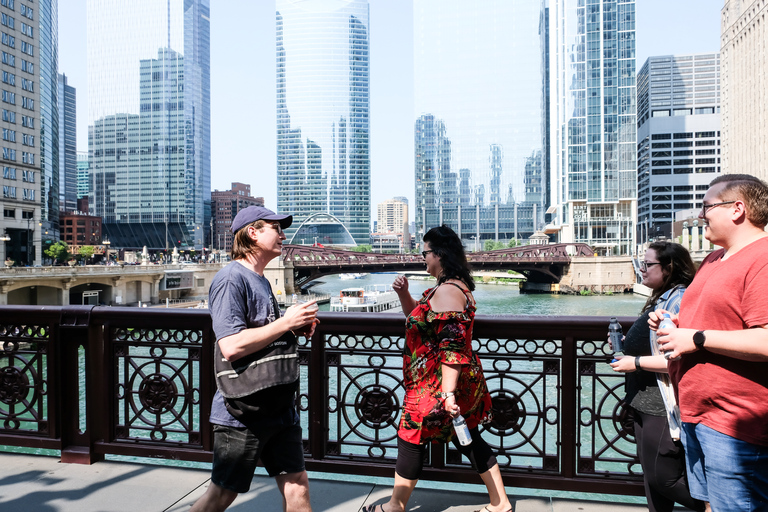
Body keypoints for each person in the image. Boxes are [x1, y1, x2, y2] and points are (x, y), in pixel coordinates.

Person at [364, 225, 512, 512]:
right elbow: (420, 320)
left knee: (411, 435)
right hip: (450, 383)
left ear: (440, 254)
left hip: (435, 386)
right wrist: (405, 295)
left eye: (426, 252)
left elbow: (452, 347)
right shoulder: (448, 288)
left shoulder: (446, 292)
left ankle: (394, 506)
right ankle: (500, 503)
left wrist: (447, 394)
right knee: (468, 437)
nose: (423, 258)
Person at [191, 206, 318, 512]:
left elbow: (262, 334)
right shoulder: (230, 280)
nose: (283, 235)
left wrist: (294, 328)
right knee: (222, 495)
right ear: (253, 232)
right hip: (242, 411)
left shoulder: (259, 279)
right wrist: (284, 323)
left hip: (278, 406)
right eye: (276, 228)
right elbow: (231, 346)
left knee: (297, 486)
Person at [653, 174, 768, 511]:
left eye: (707, 206)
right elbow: (711, 322)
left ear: (738, 209)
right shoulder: (713, 260)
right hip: (696, 414)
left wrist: (696, 338)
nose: (701, 214)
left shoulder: (762, 259)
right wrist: (674, 324)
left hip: (735, 422)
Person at [610, 241, 703, 512]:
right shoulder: (662, 296)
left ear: (669, 267)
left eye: (648, 264)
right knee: (653, 483)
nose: (642, 269)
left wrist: (635, 362)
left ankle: (718, 506)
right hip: (645, 401)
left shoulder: (679, 298)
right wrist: (627, 343)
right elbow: (656, 342)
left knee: (664, 478)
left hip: (662, 405)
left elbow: (678, 356)